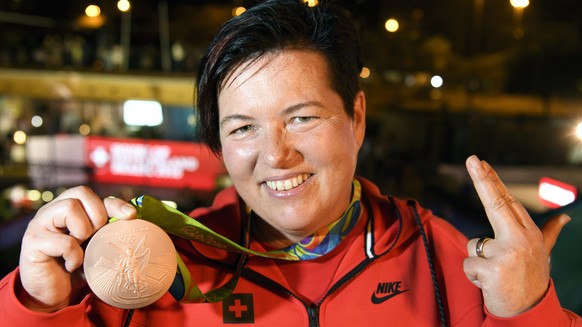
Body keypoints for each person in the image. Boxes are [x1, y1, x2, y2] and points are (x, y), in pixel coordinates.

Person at [0, 0, 580, 326]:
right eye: (243, 128)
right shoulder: (155, 274)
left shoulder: (445, 262)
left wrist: (530, 313)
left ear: (356, 116)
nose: (276, 154)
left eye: (301, 118)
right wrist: (38, 304)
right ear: (220, 148)